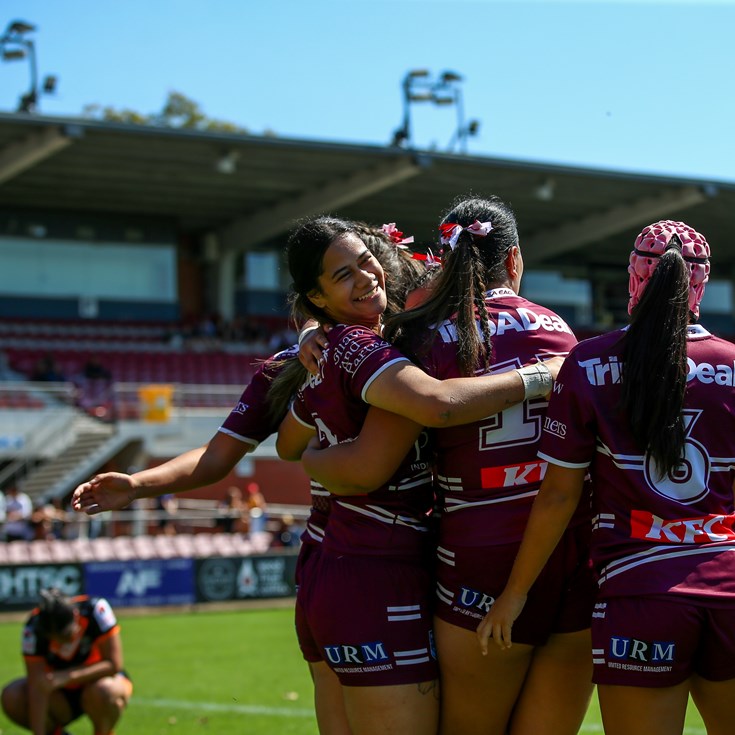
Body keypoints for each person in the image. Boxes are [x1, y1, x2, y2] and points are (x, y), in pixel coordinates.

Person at [299, 199, 594, 735]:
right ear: (515, 260)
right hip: (570, 555)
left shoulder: (425, 339)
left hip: (478, 562)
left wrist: (309, 458)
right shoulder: (563, 334)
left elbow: (367, 467)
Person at [477, 220, 735, 735]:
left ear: (634, 276)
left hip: (638, 593)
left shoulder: (589, 362)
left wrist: (515, 593)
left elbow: (558, 496)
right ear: (701, 283)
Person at [1, 587, 133, 735]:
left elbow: (114, 664)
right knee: (12, 696)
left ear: (75, 615)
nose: (62, 642)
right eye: (55, 638)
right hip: (60, 696)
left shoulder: (95, 609)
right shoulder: (32, 629)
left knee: (105, 690)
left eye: (66, 635)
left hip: (99, 684)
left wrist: (66, 677)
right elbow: (37, 686)